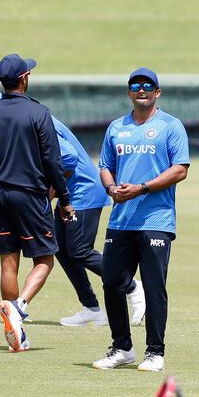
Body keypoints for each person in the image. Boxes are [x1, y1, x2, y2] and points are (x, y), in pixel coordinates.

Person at [0, 53, 75, 352]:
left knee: (8, 262)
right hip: (29, 194)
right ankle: (19, 307)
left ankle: (15, 332)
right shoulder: (38, 113)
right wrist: (64, 198)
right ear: (24, 78)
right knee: (45, 259)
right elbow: (53, 161)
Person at [92, 68, 189, 372]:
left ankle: (155, 353)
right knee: (111, 282)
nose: (142, 89)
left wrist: (142, 188)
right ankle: (122, 348)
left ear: (157, 92)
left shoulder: (170, 126)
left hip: (156, 220)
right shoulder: (116, 128)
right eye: (136, 86)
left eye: (148, 86)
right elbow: (105, 166)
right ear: (129, 92)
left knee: (154, 285)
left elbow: (180, 170)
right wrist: (111, 188)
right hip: (121, 220)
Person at [52, 116, 145, 327]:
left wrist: (48, 194)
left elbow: (68, 157)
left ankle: (131, 285)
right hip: (68, 192)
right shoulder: (30, 118)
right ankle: (91, 308)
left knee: (79, 250)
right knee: (61, 249)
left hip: (83, 192)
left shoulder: (38, 122)